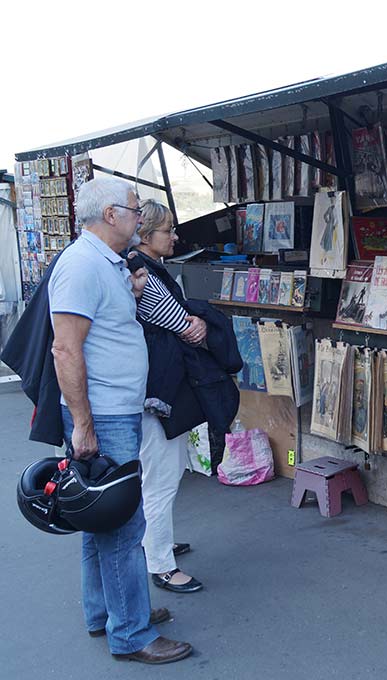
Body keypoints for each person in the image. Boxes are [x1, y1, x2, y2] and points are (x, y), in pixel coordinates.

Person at [48, 177, 191, 664]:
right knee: (125, 526)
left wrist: (130, 293)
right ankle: (131, 633)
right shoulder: (83, 265)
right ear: (110, 215)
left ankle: (104, 613)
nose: (139, 217)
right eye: (133, 209)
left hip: (113, 410)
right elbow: (65, 348)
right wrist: (84, 425)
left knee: (100, 519)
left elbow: (107, 331)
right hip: (104, 415)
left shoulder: (107, 264)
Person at [133, 200, 205, 594]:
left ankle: (156, 543)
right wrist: (196, 322)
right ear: (147, 236)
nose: (175, 236)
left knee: (163, 472)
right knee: (161, 477)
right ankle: (160, 562)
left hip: (155, 392)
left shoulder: (145, 270)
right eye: (168, 231)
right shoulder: (143, 273)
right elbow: (176, 321)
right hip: (156, 395)